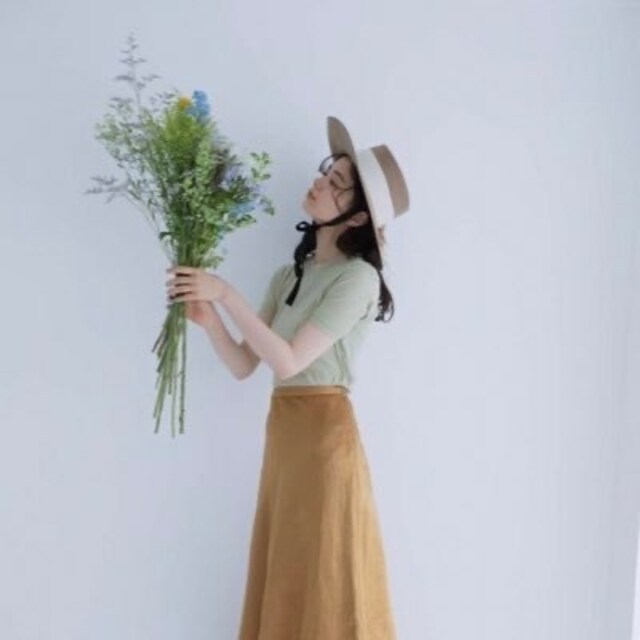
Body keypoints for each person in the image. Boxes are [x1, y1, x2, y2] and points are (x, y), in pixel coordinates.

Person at [165, 115, 410, 639]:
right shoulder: (288, 275)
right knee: (290, 568)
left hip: (324, 440)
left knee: (328, 570)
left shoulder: (359, 279)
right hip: (284, 434)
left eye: (336, 182)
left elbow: (288, 361)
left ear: (357, 217)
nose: (320, 181)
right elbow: (244, 364)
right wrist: (209, 317)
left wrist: (227, 293)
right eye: (327, 171)